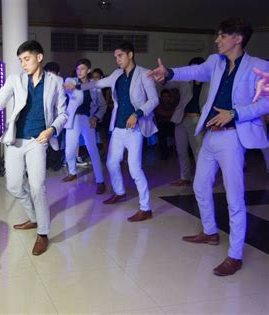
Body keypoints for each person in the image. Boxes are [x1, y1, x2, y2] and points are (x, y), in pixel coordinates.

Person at [148, 17, 269, 276]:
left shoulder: (258, 67)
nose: (217, 40)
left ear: (237, 38)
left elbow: (266, 103)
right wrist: (168, 72)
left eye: (222, 36)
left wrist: (235, 113)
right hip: (211, 135)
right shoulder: (216, 62)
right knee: (200, 185)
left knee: (234, 196)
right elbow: (193, 72)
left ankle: (235, 255)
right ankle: (210, 231)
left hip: (234, 137)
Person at [0, 40, 67, 255]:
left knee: (37, 186)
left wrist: (52, 130)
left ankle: (43, 232)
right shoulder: (15, 80)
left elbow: (63, 113)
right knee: (13, 186)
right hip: (14, 140)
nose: (23, 64)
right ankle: (33, 217)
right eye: (20, 60)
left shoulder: (56, 82)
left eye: (27, 59)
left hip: (38, 140)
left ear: (39, 57)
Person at [66, 41, 159, 222]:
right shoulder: (117, 74)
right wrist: (77, 86)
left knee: (134, 168)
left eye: (120, 56)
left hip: (135, 128)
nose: (117, 60)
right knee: (111, 163)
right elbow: (98, 83)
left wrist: (138, 113)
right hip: (117, 127)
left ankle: (145, 208)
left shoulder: (144, 74)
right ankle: (119, 192)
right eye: (115, 57)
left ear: (130, 55)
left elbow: (154, 100)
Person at [62, 58, 107, 194]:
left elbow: (103, 105)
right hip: (73, 120)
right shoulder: (72, 81)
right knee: (69, 151)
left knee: (92, 150)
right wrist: (69, 86)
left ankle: (100, 181)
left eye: (82, 69)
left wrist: (96, 117)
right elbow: (67, 85)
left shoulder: (94, 86)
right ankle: (72, 172)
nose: (79, 71)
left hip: (88, 120)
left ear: (88, 70)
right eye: (77, 69)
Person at [163, 57, 209, 185]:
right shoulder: (186, 80)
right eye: (191, 68)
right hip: (181, 118)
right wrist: (163, 78)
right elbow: (170, 83)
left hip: (197, 119)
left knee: (198, 151)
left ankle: (202, 180)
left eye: (196, 68)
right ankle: (185, 177)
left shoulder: (209, 83)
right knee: (181, 150)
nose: (194, 71)